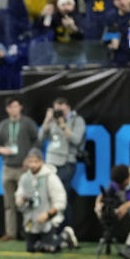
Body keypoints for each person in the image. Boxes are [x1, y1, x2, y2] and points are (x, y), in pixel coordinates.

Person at [0, 96, 40, 241]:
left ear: (21, 107)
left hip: (23, 168)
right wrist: (1, 150)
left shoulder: (27, 123)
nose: (14, 109)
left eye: (16, 106)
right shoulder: (4, 125)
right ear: (7, 109)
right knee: (9, 204)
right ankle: (11, 233)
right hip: (7, 167)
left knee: (26, 201)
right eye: (11, 107)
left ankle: (29, 231)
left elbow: (37, 141)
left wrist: (30, 159)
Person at [40, 97, 84, 246]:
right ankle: (56, 232)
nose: (59, 113)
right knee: (51, 198)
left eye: (62, 109)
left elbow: (77, 140)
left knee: (62, 198)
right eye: (56, 109)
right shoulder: (51, 121)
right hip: (51, 163)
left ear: (68, 107)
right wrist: (47, 121)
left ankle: (66, 231)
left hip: (67, 162)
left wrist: (63, 125)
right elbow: (40, 139)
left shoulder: (77, 120)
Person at [16, 149, 68, 253]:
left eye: (36, 161)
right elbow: (19, 196)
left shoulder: (50, 177)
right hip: (31, 221)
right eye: (30, 161)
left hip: (48, 220)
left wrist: (48, 214)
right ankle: (42, 242)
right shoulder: (25, 178)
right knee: (31, 249)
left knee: (49, 249)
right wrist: (21, 201)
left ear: (42, 162)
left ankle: (65, 236)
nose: (33, 165)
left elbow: (60, 200)